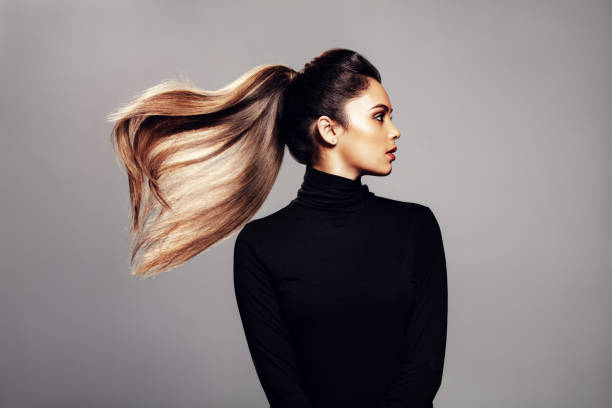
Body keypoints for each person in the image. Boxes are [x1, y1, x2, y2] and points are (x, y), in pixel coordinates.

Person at [107, 48, 447, 408]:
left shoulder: (416, 228)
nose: (395, 131)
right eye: (380, 117)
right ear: (329, 130)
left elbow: (423, 371)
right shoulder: (260, 246)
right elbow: (284, 391)